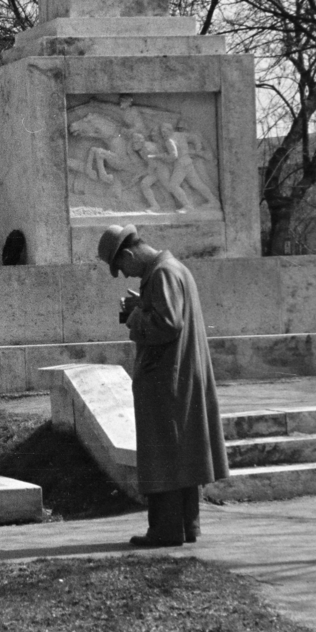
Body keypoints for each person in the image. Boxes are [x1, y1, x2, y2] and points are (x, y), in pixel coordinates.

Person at [97, 224, 229, 547]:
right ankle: (186, 525)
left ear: (128, 254)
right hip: (179, 375)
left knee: (163, 452)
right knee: (180, 452)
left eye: (122, 267)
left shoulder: (160, 274)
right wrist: (143, 305)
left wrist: (134, 318)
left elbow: (168, 324)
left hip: (166, 379)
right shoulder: (173, 269)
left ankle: (166, 529)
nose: (126, 274)